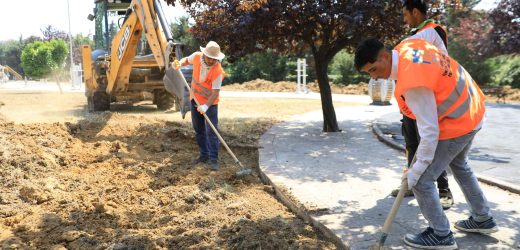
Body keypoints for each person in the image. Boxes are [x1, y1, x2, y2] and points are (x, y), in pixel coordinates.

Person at [355, 38, 498, 249]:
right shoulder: (408, 48)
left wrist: (416, 169)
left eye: (374, 69)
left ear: (385, 56)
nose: (374, 77)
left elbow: (430, 131)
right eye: (369, 73)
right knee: (459, 164)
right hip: (471, 110)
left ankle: (441, 234)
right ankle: (483, 218)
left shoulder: (412, 81)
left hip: (456, 122)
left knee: (421, 181)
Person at [390, 0, 454, 211]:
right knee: (411, 144)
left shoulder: (432, 32)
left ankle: (443, 190)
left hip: (430, 99)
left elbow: (408, 52)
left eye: (405, 15)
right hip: (412, 100)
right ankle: (410, 184)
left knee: (431, 143)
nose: (404, 19)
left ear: (415, 11)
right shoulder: (415, 35)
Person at [172, 41, 225, 170]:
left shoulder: (218, 71)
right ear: (204, 54)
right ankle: (204, 155)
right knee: (199, 130)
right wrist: (177, 63)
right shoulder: (196, 56)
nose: (212, 61)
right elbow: (184, 60)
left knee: (212, 131)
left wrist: (206, 106)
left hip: (210, 104)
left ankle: (213, 159)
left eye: (214, 59)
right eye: (209, 58)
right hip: (194, 100)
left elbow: (215, 92)